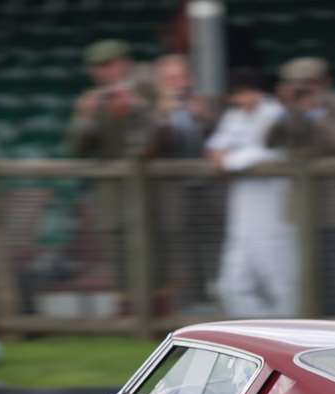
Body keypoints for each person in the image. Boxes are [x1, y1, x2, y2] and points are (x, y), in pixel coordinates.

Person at [267, 57, 335, 316]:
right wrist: (288, 110)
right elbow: (269, 141)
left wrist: (313, 113)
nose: (302, 90)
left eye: (308, 84)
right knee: (304, 274)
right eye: (296, 85)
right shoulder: (289, 110)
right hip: (300, 207)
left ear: (324, 82)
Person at [206, 68, 298, 317]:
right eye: (234, 94)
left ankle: (287, 340)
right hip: (241, 218)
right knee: (231, 286)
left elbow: (271, 153)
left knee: (282, 286)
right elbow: (214, 149)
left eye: (243, 92)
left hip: (273, 216)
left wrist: (232, 160)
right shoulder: (233, 116)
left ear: (257, 91)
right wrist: (226, 158)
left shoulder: (275, 113)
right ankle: (258, 336)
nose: (238, 99)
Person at [145, 54, 221, 312]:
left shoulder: (207, 104)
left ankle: (218, 303)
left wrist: (204, 118)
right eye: (171, 79)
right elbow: (148, 146)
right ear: (160, 83)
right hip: (174, 196)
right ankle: (187, 308)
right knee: (183, 253)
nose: (179, 84)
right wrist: (163, 114)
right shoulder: (152, 110)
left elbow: (223, 139)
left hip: (208, 192)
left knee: (214, 248)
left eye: (182, 77)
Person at [67, 40, 149, 159]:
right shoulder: (90, 100)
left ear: (126, 63)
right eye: (95, 66)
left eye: (107, 64)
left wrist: (136, 107)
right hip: (112, 175)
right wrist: (85, 119)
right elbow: (77, 151)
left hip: (151, 173)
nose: (100, 72)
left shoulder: (149, 88)